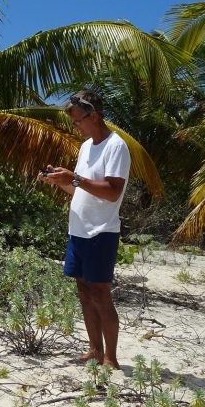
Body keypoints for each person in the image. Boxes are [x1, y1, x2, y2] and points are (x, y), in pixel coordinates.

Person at [38, 90, 130, 369]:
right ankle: (94, 350)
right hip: (78, 230)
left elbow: (112, 192)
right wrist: (61, 181)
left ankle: (111, 358)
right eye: (74, 122)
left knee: (100, 293)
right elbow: (79, 189)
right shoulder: (86, 146)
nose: (76, 126)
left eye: (79, 120)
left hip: (101, 232)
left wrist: (75, 178)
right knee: (84, 292)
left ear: (95, 116)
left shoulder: (116, 146)